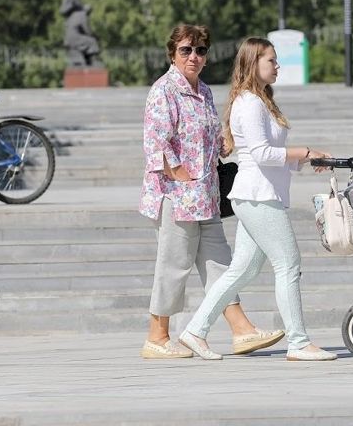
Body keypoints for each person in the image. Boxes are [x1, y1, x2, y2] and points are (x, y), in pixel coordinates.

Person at [180, 37, 337, 361]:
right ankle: (298, 342)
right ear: (253, 63)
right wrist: (304, 151)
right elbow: (262, 154)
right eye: (271, 61)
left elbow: (267, 154)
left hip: (260, 194)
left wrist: (306, 160)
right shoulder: (249, 103)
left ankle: (195, 331)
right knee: (288, 264)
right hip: (257, 196)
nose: (277, 66)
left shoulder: (260, 100)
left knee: (242, 270)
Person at [139, 25, 284, 359]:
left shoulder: (203, 90)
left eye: (200, 50)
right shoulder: (164, 90)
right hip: (176, 196)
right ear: (172, 54)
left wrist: (225, 143)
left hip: (207, 195)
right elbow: (156, 143)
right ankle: (157, 337)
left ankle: (242, 330)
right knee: (174, 266)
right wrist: (182, 176)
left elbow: (210, 136)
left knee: (221, 263)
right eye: (186, 50)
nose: (194, 57)